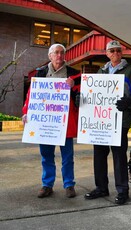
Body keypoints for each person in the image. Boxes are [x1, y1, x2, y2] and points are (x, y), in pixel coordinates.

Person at [84, 40, 131, 205]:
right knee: (99, 155)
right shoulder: (101, 71)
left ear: (121, 53)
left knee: (119, 157)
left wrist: (128, 102)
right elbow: (93, 93)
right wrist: (82, 97)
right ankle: (101, 188)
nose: (115, 53)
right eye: (112, 51)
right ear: (106, 53)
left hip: (119, 122)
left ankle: (123, 191)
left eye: (118, 50)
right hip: (100, 121)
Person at [22, 43, 81, 198]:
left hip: (65, 123)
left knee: (67, 157)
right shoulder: (40, 73)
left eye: (62, 52)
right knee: (46, 156)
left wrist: (74, 87)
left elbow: (82, 99)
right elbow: (31, 96)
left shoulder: (75, 75)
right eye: (56, 53)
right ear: (50, 56)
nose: (59, 56)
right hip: (44, 123)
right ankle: (47, 185)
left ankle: (69, 185)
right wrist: (25, 113)